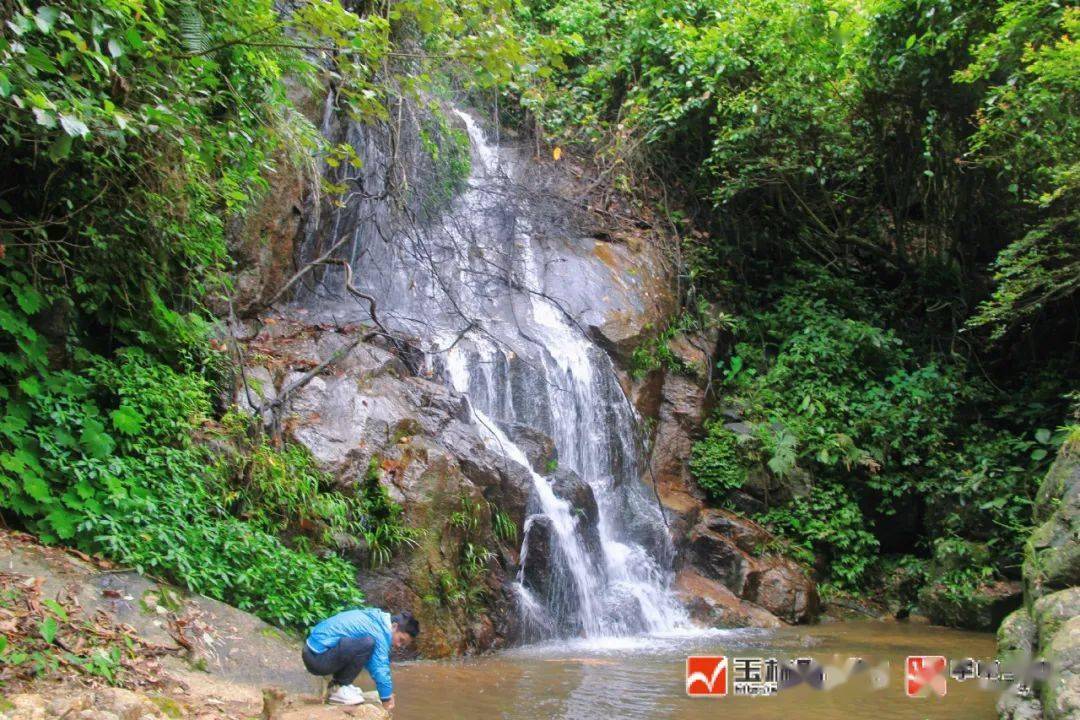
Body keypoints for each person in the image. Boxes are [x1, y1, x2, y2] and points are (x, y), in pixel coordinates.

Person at [301, 607, 419, 708]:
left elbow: (368, 659)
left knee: (366, 645)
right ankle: (338, 689)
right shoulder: (378, 631)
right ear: (394, 627)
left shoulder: (375, 619)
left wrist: (385, 692)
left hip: (314, 652)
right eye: (401, 640)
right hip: (317, 658)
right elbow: (380, 667)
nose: (399, 645)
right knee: (368, 642)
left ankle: (341, 686)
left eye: (403, 644)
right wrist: (386, 698)